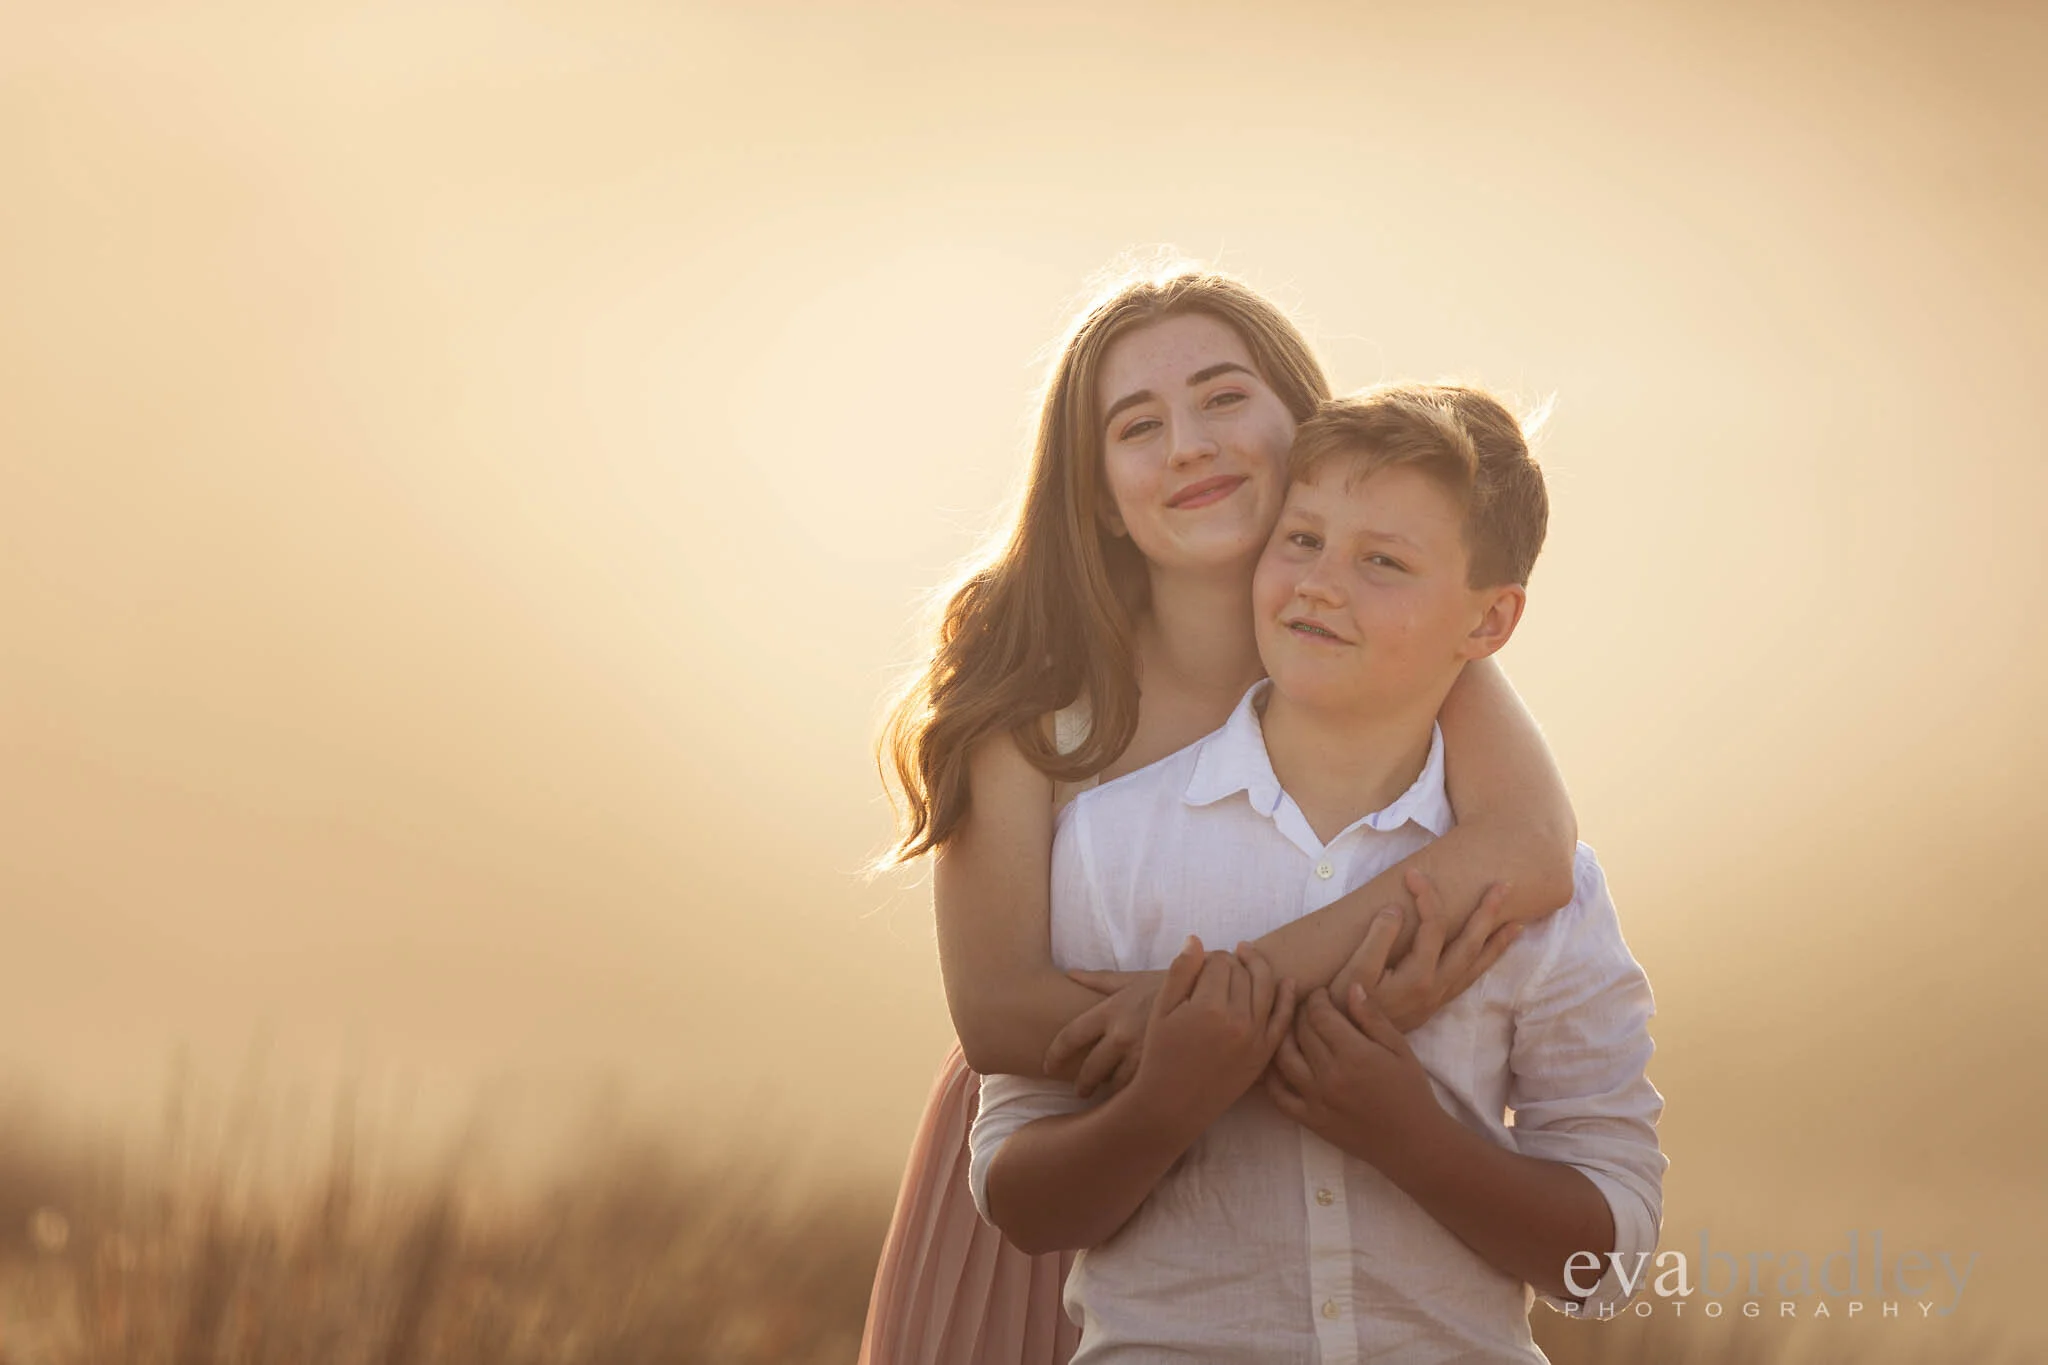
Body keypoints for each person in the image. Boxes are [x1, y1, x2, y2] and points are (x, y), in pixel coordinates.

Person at [861, 265, 1581, 1364]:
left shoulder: (1394, 648)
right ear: (1096, 493)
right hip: (1056, 1152)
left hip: (1316, 1194)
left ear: (1306, 427)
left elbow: (1529, 848)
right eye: (1137, 426)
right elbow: (1002, 1015)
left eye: (1223, 397)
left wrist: (1230, 1002)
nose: (1188, 443)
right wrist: (1317, 1005)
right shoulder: (1033, 700)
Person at [969, 383, 1666, 1362]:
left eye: (1381, 562)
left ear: (1489, 623)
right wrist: (1163, 1103)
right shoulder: (1106, 843)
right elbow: (1018, 1199)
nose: (1319, 585)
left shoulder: (1542, 897)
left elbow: (1613, 1260)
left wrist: (1408, 1136)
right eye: (1299, 541)